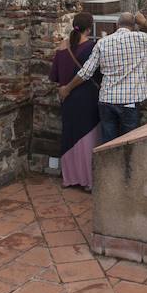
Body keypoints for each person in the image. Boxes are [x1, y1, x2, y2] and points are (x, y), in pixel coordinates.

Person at [58, 10, 147, 142]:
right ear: (133, 26)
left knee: (108, 145)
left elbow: (86, 72)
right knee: (129, 144)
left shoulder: (102, 43)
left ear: (117, 25)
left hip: (107, 100)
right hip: (130, 101)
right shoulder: (141, 38)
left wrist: (67, 88)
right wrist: (144, 22)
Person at [49, 12, 101, 190]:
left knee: (69, 136)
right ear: (90, 27)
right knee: (88, 138)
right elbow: (97, 74)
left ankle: (69, 178)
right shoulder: (92, 47)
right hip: (87, 98)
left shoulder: (62, 48)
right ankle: (87, 181)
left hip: (67, 98)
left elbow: (54, 76)